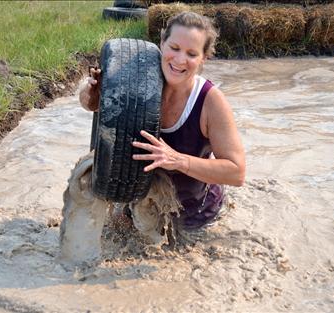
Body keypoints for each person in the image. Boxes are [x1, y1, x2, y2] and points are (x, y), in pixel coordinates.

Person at [79, 11, 245, 229]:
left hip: (193, 220)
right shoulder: (136, 78)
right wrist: (95, 94)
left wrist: (177, 160)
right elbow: (91, 106)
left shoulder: (210, 101)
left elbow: (237, 172)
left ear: (204, 58)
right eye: (174, 48)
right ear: (162, 43)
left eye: (191, 54)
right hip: (136, 214)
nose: (179, 60)